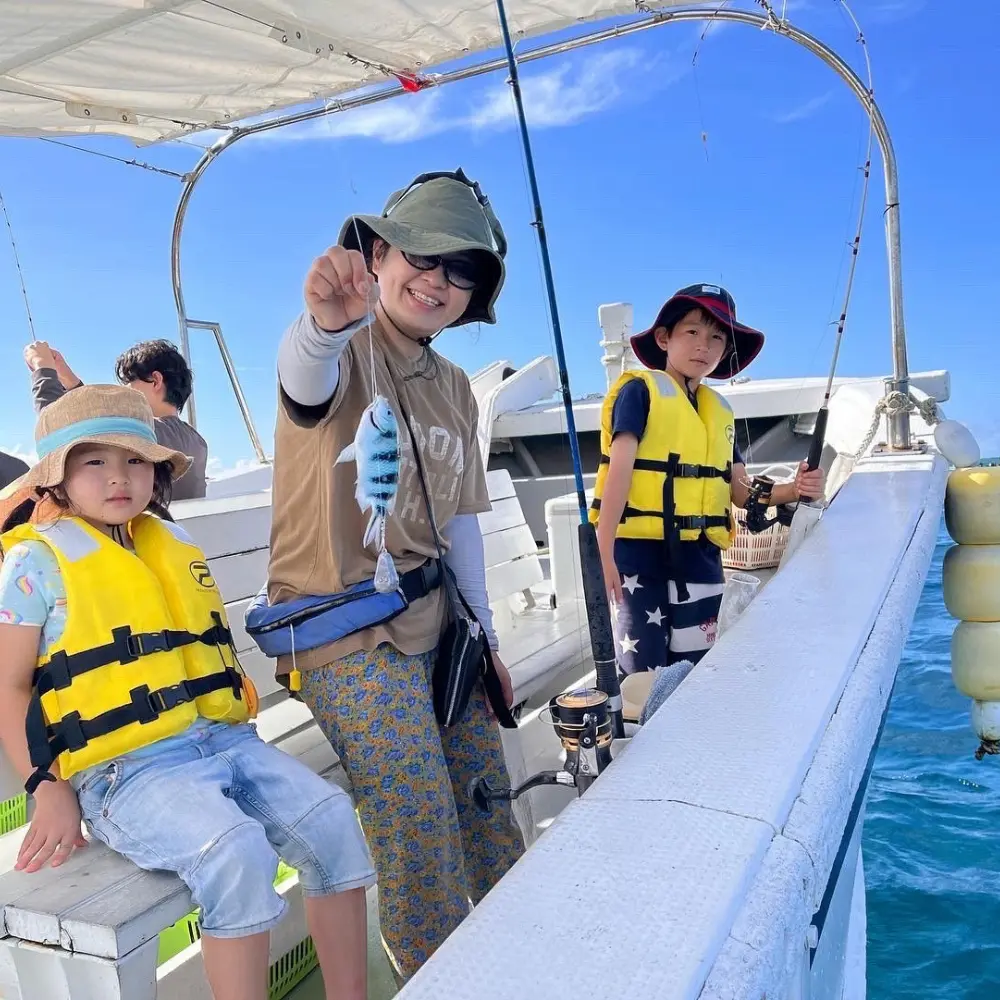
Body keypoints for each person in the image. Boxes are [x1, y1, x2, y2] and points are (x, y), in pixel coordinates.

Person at [0, 385, 373, 1000]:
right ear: (56, 479)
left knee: (334, 822)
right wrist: (46, 787)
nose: (119, 477)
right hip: (125, 772)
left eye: (135, 461)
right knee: (235, 855)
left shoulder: (169, 545)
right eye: (95, 461)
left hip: (223, 739)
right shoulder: (35, 564)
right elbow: (11, 686)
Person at [267, 169, 524, 980]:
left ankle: (522, 961)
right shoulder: (341, 345)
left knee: (486, 802)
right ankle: (440, 979)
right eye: (422, 256)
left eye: (463, 272)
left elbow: (458, 528)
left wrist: (484, 641)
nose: (438, 282)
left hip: (436, 623)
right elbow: (305, 377)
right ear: (377, 253)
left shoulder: (456, 388)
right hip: (346, 634)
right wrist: (321, 325)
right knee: (417, 824)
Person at [590, 283, 826, 675]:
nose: (705, 346)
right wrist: (603, 549)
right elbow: (620, 470)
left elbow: (738, 490)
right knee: (640, 673)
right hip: (638, 559)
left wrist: (793, 489)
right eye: (693, 332)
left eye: (717, 337)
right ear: (664, 338)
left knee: (695, 672)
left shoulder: (719, 412)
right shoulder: (639, 392)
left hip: (700, 561)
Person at [23, 338, 209, 500]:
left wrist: (42, 369)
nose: (124, 393)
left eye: (128, 384)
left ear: (155, 380)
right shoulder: (197, 442)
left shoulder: (144, 434)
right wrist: (69, 379)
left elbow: (58, 428)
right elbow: (100, 420)